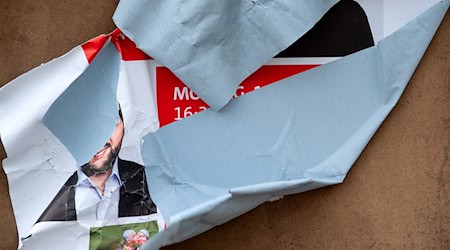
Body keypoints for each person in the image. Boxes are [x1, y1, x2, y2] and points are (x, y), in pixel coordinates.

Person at [36, 109, 157, 222]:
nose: (99, 139)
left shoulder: (153, 183)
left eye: (110, 123)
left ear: (123, 125)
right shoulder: (44, 194)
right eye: (85, 128)